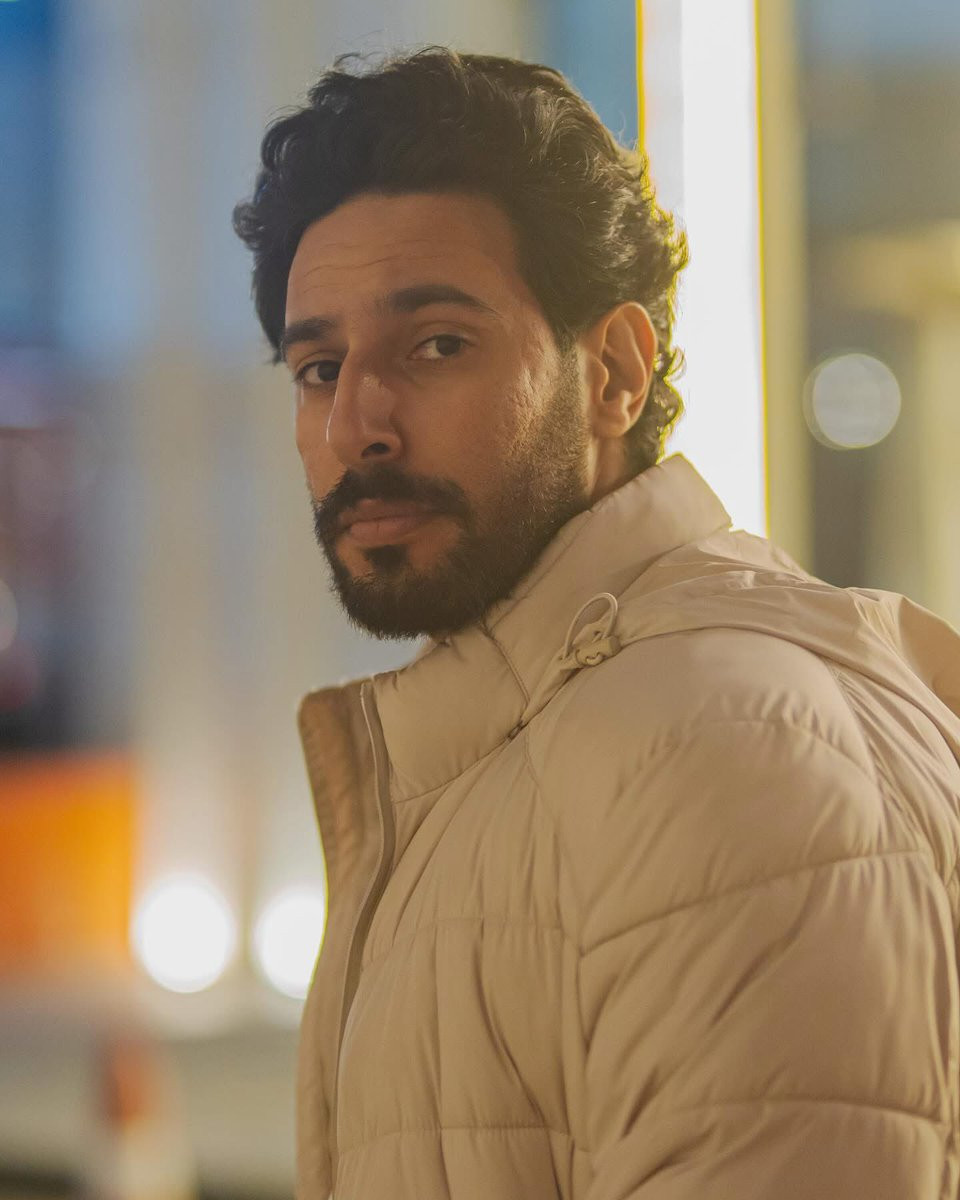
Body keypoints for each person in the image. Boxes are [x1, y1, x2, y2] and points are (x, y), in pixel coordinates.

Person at [234, 47, 960, 1200]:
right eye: (320, 366)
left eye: (437, 345)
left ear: (615, 373)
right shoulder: (544, 741)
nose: (357, 424)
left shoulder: (711, 743)